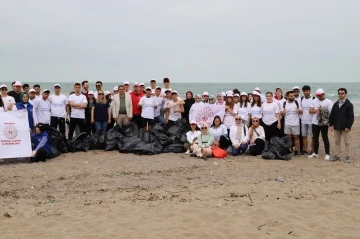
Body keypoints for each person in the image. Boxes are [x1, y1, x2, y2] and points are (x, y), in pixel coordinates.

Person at [329, 88, 354, 163]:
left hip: (345, 127)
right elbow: (332, 115)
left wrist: (348, 126)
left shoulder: (349, 104)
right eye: (339, 93)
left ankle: (348, 156)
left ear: (345, 94)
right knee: (337, 141)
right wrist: (331, 124)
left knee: (347, 142)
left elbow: (351, 116)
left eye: (342, 93)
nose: (340, 95)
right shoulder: (336, 104)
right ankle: (337, 155)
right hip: (336, 126)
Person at [308, 88, 333, 160]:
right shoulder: (313, 101)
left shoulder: (328, 102)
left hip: (324, 123)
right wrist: (316, 110)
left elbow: (331, 113)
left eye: (320, 95)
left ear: (323, 94)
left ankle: (327, 154)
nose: (319, 97)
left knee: (325, 138)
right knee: (315, 138)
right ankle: (315, 153)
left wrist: (331, 124)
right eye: (317, 95)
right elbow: (310, 111)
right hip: (315, 123)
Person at [280, 91, 302, 156]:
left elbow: (301, 111)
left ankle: (297, 150)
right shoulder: (284, 103)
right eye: (291, 96)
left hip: (295, 123)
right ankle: (289, 149)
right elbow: (281, 113)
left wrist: (299, 111)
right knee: (289, 137)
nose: (293, 97)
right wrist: (282, 113)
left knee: (296, 137)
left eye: (293, 96)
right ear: (287, 96)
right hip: (287, 123)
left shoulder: (296, 102)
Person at [300, 85, 315, 155]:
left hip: (312, 121)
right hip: (303, 121)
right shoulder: (301, 99)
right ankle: (306, 150)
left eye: (307, 91)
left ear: (309, 91)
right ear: (303, 92)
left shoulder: (314, 99)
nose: (306, 92)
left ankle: (312, 150)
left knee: (313, 136)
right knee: (304, 136)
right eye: (304, 91)